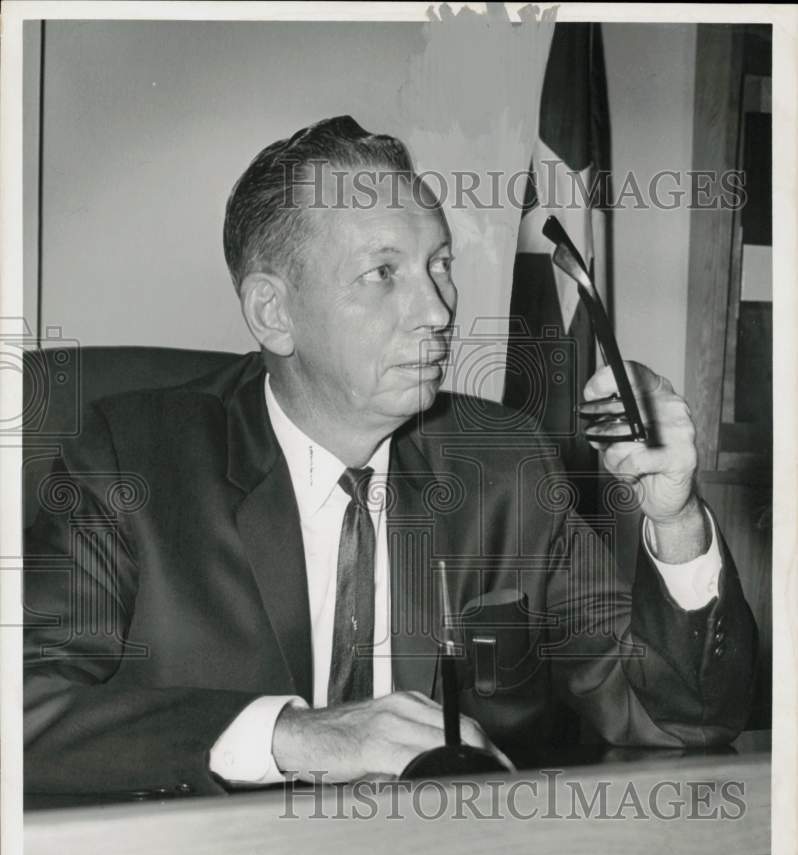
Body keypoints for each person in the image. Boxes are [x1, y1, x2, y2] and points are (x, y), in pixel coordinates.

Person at [24, 116, 756, 797]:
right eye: (385, 273)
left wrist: (676, 518)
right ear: (273, 312)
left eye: (440, 265)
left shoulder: (502, 464)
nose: (439, 310)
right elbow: (24, 705)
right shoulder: (133, 460)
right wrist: (293, 736)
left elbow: (680, 722)